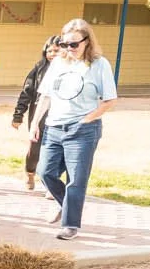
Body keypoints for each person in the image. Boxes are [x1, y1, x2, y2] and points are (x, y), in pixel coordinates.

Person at [35, 17, 118, 241]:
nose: (69, 48)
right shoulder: (58, 63)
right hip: (54, 127)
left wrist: (87, 120)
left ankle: (70, 224)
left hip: (83, 130)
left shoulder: (99, 64)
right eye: (65, 44)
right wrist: (35, 123)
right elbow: (45, 95)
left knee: (76, 179)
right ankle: (66, 204)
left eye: (74, 44)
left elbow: (110, 100)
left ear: (87, 41)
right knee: (45, 172)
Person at [9, 36, 56, 193]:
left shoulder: (70, 69)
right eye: (49, 51)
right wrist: (18, 115)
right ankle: (30, 173)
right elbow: (26, 92)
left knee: (53, 149)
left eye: (56, 50)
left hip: (59, 114)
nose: (52, 54)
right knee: (35, 147)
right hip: (39, 114)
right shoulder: (39, 68)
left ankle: (50, 183)